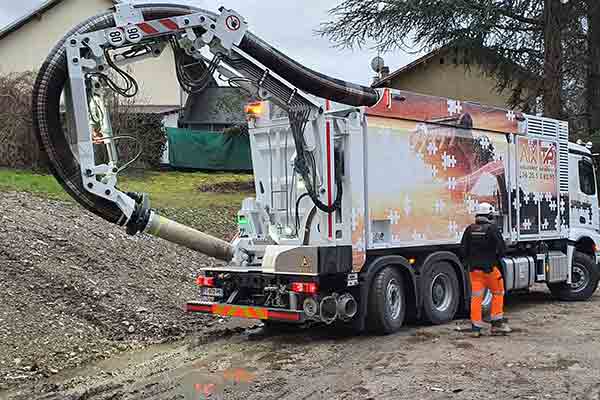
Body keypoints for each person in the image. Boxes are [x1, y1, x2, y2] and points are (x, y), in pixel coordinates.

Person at [460, 202, 511, 337]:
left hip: (474, 271)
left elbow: (463, 250)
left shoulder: (469, 229)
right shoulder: (492, 229)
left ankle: (476, 328)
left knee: (476, 297)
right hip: (490, 270)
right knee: (498, 292)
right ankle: (496, 325)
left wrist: (469, 262)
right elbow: (502, 250)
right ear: (489, 215)